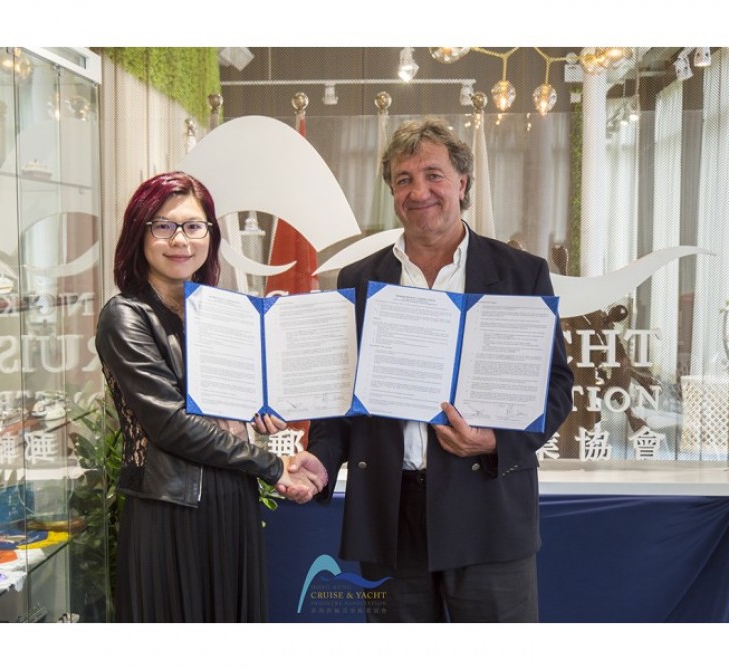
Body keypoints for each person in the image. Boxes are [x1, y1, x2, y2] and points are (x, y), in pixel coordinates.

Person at [283, 118, 574, 622]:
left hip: (488, 513)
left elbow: (555, 386)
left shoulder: (520, 274)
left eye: (433, 175)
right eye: (403, 179)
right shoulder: (359, 280)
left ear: (462, 183)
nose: (419, 191)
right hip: (390, 521)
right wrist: (322, 460)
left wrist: (495, 442)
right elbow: (339, 400)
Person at [95, 171, 322, 623]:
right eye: (163, 225)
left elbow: (230, 405)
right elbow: (170, 425)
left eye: (194, 226)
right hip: (170, 511)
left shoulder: (219, 311)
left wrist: (258, 405)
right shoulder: (126, 317)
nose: (180, 240)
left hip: (231, 501)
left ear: (210, 236)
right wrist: (272, 466)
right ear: (139, 233)